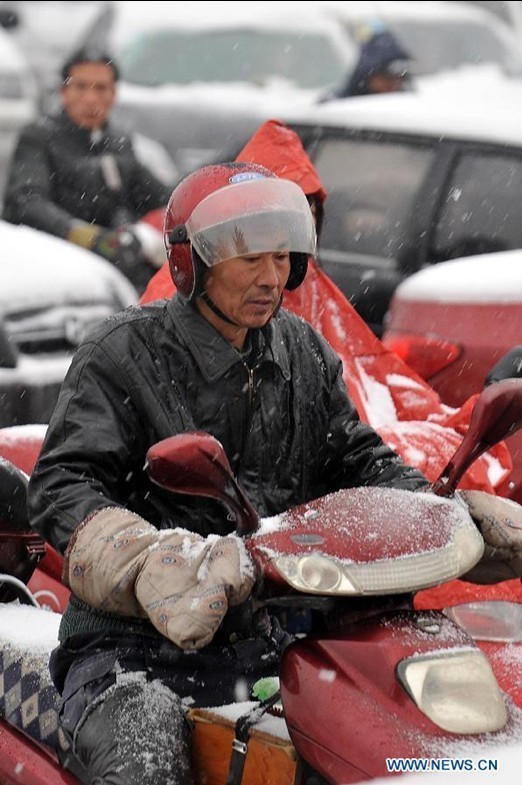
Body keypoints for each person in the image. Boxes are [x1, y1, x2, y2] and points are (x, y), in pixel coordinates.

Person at [27, 161, 522, 783]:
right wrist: (149, 560)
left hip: (275, 637)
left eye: (282, 257)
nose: (271, 277)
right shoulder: (121, 354)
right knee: (145, 758)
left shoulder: (302, 350)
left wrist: (437, 510)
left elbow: (355, 458)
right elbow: (63, 484)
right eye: (250, 258)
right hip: (133, 651)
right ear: (191, 264)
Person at [2, 47, 172, 293]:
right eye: (80, 87)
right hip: (57, 264)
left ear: (113, 94)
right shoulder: (39, 138)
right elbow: (26, 201)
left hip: (118, 263)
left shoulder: (118, 142)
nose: (91, 98)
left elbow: (159, 197)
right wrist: (84, 235)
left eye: (101, 88)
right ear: (64, 92)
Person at [320, 26, 412, 102]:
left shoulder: (407, 103)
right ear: (368, 75)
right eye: (386, 77)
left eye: (399, 77)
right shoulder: (339, 104)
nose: (393, 83)